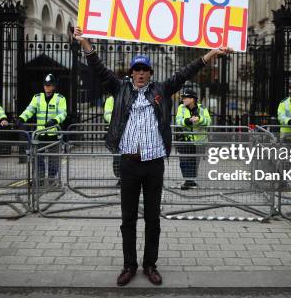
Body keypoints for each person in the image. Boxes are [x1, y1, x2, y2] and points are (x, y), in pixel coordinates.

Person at [74, 27, 231, 287]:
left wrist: (212, 53)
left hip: (154, 164)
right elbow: (99, 68)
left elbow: (186, 72)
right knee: (128, 219)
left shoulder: (161, 90)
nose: (140, 73)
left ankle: (150, 265)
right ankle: (129, 265)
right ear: (131, 72)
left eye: (144, 70)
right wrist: (85, 42)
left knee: (152, 219)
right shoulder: (120, 89)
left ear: (150, 74)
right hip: (129, 164)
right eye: (136, 69)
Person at [18, 73, 67, 185]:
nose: (47, 87)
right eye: (45, 85)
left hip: (53, 134)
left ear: (54, 86)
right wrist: (21, 118)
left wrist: (54, 121)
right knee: (38, 158)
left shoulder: (60, 99)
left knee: (53, 159)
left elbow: (63, 113)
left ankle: (51, 179)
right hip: (40, 134)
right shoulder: (37, 98)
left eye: (49, 85)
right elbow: (29, 110)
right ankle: (39, 179)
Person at [175, 88, 211, 190]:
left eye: (185, 98)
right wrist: (187, 121)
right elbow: (178, 120)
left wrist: (199, 120)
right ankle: (188, 180)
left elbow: (208, 121)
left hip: (199, 142)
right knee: (184, 161)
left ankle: (191, 180)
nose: (183, 100)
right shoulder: (181, 108)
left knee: (195, 161)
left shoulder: (202, 108)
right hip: (185, 141)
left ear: (192, 99)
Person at [104, 95, 122, 186]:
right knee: (117, 157)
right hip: (116, 133)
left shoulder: (133, 96)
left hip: (129, 132)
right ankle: (119, 177)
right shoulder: (111, 100)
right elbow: (107, 114)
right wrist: (117, 122)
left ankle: (127, 178)